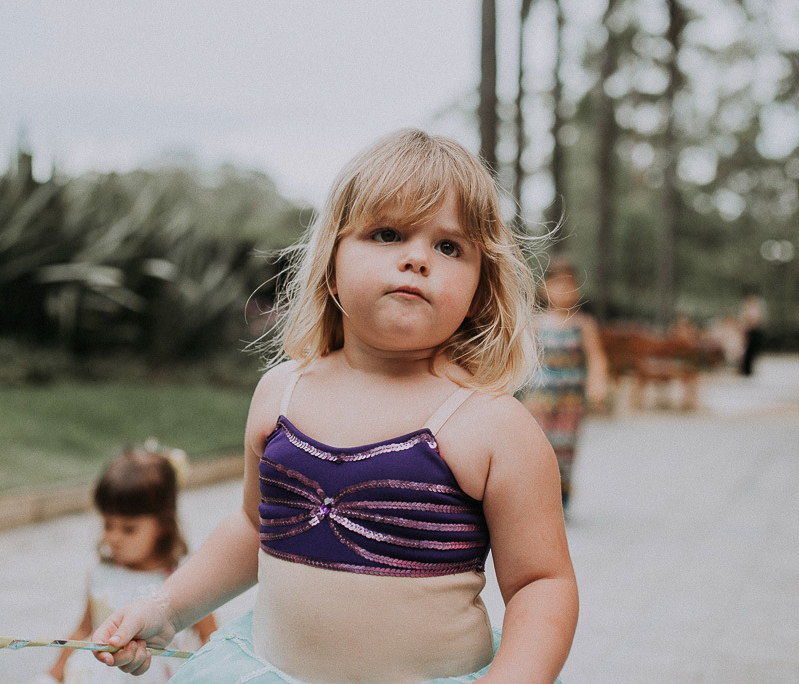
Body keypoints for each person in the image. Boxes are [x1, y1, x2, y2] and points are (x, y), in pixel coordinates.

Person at [91, 129, 578, 683]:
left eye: (450, 246)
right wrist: (165, 607)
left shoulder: (491, 426)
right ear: (331, 261)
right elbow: (254, 527)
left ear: (479, 286)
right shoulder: (281, 394)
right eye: (388, 233)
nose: (418, 258)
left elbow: (542, 583)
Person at [39, 443, 217, 683]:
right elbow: (83, 630)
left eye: (128, 529)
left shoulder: (181, 581)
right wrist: (54, 674)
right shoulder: (101, 574)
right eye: (108, 525)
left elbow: (210, 639)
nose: (113, 537)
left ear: (163, 525)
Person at [517, 258, 608, 506]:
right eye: (557, 285)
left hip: (571, 399)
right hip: (539, 397)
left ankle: (561, 498)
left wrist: (597, 383)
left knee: (565, 448)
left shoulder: (584, 324)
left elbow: (596, 357)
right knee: (537, 446)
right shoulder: (536, 324)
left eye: (569, 285)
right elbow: (523, 357)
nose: (564, 291)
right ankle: (536, 497)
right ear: (544, 289)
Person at [739, 287, 766, 376]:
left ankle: (749, 369)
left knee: (752, 351)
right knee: (747, 351)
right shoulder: (746, 306)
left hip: (755, 330)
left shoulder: (757, 305)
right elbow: (745, 318)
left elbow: (758, 319)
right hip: (748, 330)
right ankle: (746, 369)